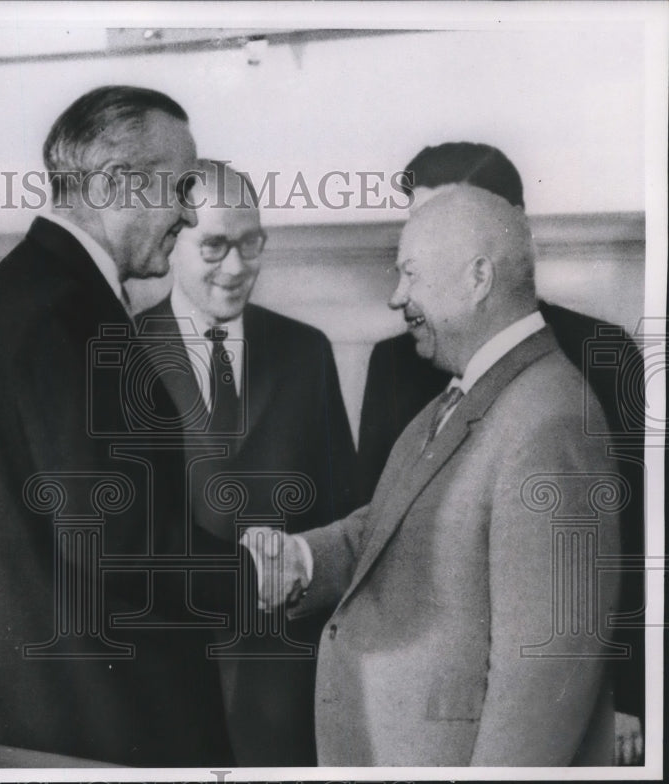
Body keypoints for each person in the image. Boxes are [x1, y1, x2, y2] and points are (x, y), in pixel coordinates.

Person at [245, 184, 621, 765]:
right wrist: (304, 559)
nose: (398, 297)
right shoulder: (468, 395)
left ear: (478, 279)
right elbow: (397, 521)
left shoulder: (550, 420)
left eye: (411, 274)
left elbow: (547, 672)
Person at [0, 86, 238, 766]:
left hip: (57, 721)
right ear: (114, 183)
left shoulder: (29, 295)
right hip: (104, 732)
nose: (191, 212)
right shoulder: (65, 318)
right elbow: (120, 553)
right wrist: (272, 571)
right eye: (183, 186)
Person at [357, 142, 645, 759]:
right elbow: (376, 525)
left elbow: (635, 531)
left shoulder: (602, 353)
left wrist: (631, 694)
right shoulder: (392, 363)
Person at [136, 160, 358, 766]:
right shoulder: (120, 353)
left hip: (289, 686)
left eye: (250, 244)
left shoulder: (305, 351)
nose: (236, 268)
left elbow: (347, 513)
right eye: (214, 245)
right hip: (169, 687)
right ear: (171, 238)